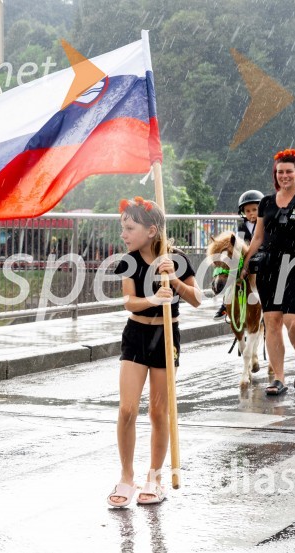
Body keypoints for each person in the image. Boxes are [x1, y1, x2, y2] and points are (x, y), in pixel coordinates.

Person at [107, 196, 201, 508]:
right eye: (123, 228)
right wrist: (153, 299)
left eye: (129, 228)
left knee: (158, 412)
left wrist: (173, 280)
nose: (124, 234)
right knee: (127, 410)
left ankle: (155, 477)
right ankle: (125, 475)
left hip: (166, 336)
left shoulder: (176, 259)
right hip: (136, 334)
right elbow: (129, 301)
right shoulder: (128, 261)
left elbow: (197, 299)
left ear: (151, 230)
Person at [241, 148, 295, 396]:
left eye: (289, 171)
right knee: (273, 322)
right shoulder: (266, 203)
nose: (284, 176)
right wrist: (244, 266)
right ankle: (278, 377)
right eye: (280, 172)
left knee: (293, 323)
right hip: (269, 269)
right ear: (275, 175)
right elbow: (257, 238)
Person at [214, 189, 264, 319]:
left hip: (261, 258)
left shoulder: (265, 225)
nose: (251, 213)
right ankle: (226, 304)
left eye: (255, 209)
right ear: (243, 212)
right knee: (231, 273)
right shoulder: (242, 227)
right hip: (246, 258)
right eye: (248, 211)